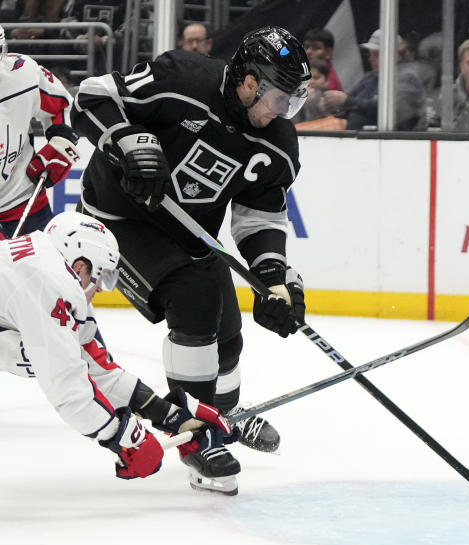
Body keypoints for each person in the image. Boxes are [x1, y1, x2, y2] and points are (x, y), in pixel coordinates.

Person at [69, 26, 310, 471]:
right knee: (195, 295)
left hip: (190, 234)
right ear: (250, 83)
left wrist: (274, 278)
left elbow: (260, 216)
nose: (284, 112)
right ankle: (197, 438)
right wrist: (127, 139)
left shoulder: (276, 143)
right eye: (281, 98)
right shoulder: (182, 80)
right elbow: (88, 98)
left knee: (228, 338)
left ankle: (224, 418)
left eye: (293, 101)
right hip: (115, 220)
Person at [0, 212, 237, 492]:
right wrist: (124, 438)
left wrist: (173, 415)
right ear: (79, 266)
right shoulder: (48, 284)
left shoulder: (43, 267)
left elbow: (98, 372)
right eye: (98, 276)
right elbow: (69, 392)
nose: (99, 289)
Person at [0, 26, 81, 239]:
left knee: (51, 271)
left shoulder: (23, 73)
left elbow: (63, 105)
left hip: (27, 205)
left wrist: (60, 145)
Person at [340, 29, 425, 131]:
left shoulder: (408, 79)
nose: (370, 59)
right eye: (370, 54)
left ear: (395, 55)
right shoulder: (372, 76)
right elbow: (349, 101)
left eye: (376, 54)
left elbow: (391, 111)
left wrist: (347, 101)